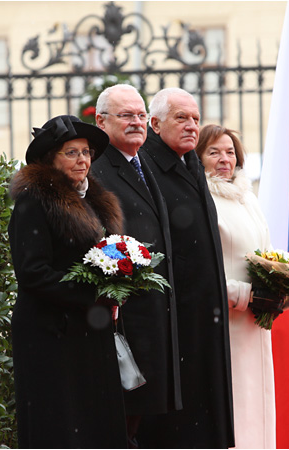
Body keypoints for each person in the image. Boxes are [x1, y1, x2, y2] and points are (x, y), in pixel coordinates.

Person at [8, 115, 127, 449]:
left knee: (94, 422)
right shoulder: (34, 200)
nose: (83, 160)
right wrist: (93, 294)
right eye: (71, 152)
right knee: (59, 424)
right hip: (50, 333)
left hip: (90, 331)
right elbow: (32, 273)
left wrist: (123, 280)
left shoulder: (94, 200)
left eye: (86, 152)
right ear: (51, 159)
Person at [137, 88, 235, 449]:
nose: (192, 125)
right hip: (176, 318)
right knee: (180, 425)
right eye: (182, 118)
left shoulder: (191, 163)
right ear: (156, 123)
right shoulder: (146, 166)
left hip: (206, 315)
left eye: (195, 118)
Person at [92, 84, 182, 448]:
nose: (136, 122)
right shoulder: (98, 169)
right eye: (126, 115)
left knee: (149, 424)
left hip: (156, 314)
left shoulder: (142, 162)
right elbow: (98, 241)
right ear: (101, 121)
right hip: (128, 315)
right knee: (126, 421)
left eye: (141, 115)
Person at [195, 124, 289, 449]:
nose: (224, 159)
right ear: (198, 157)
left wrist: (282, 286)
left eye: (229, 151)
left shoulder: (248, 197)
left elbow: (265, 252)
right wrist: (241, 294)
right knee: (236, 408)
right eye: (214, 152)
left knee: (259, 404)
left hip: (256, 322)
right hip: (225, 321)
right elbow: (200, 270)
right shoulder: (201, 200)